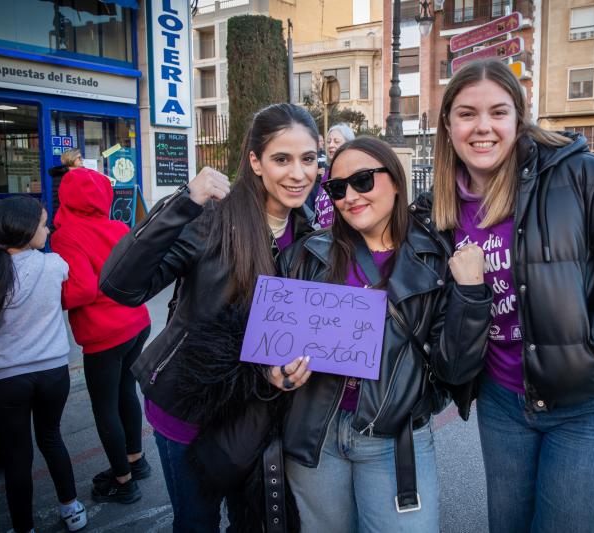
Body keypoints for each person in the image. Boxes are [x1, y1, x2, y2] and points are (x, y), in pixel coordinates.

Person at [421, 59, 594, 533]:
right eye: (466, 114)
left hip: (593, 403)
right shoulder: (437, 210)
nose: (483, 127)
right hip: (503, 404)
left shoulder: (580, 175)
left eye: (498, 112)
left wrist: (591, 350)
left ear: (519, 119)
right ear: (447, 124)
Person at [99, 103, 318, 531]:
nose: (298, 174)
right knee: (196, 523)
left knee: (252, 521)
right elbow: (120, 285)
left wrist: (289, 371)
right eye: (282, 158)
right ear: (254, 161)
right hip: (187, 407)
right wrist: (184, 201)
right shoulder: (210, 220)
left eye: (308, 159)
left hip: (256, 412)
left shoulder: (310, 235)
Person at [271, 136, 492, 532]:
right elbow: (271, 347)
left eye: (362, 181)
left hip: (396, 439)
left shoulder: (437, 257)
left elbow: (456, 369)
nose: (350, 196)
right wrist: (275, 372)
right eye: (337, 188)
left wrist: (472, 295)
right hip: (315, 435)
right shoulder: (304, 256)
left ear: (395, 179)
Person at [0, 196, 88, 532]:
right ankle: (71, 508)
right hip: (53, 372)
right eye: (44, 223)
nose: (49, 228)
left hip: (6, 377)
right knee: (52, 437)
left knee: (17, 455)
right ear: (27, 230)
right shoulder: (54, 265)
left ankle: (23, 526)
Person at [50, 168, 152, 504]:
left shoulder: (66, 234)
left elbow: (80, 290)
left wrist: (52, 295)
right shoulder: (118, 226)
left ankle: (122, 482)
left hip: (104, 332)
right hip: (136, 322)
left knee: (105, 406)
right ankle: (135, 461)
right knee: (126, 392)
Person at [312, 123, 356, 228]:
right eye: (328, 141)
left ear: (349, 144)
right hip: (325, 239)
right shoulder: (325, 176)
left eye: (336, 141)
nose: (331, 145)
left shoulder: (354, 174)